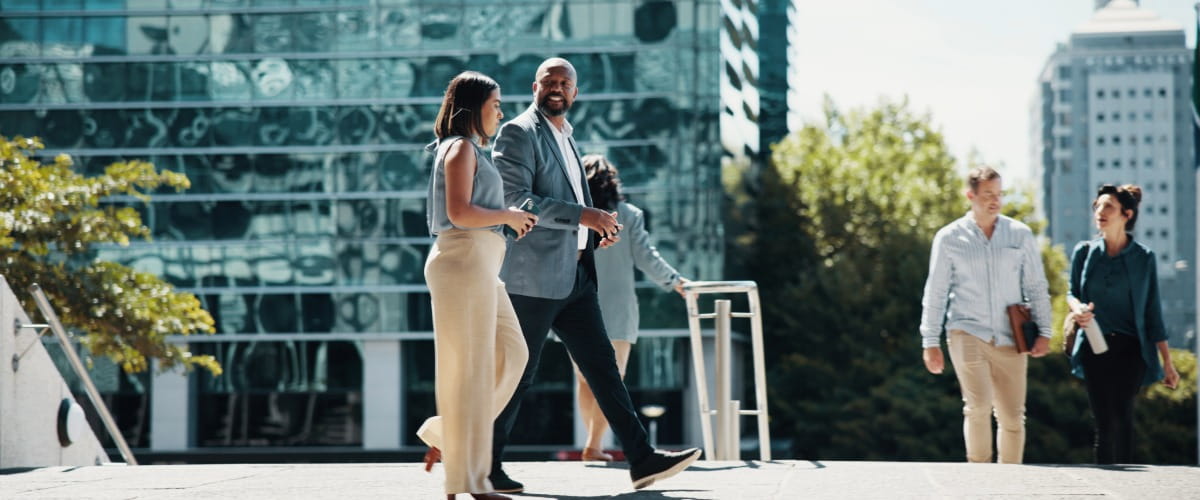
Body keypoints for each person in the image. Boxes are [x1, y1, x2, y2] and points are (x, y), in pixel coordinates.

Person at [488, 57, 701, 493]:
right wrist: (584, 214)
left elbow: (563, 205)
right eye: (550, 81)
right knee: (519, 372)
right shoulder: (518, 133)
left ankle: (641, 459)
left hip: (577, 278)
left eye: (565, 83)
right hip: (534, 279)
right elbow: (518, 201)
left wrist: (591, 231)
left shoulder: (566, 135)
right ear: (534, 86)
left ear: (575, 92)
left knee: (604, 369)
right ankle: (484, 461)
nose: (557, 88)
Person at [415, 71, 539, 500]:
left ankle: (445, 436)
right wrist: (507, 215)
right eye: (496, 104)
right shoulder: (461, 148)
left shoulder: (471, 150)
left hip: (481, 263)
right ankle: (468, 481)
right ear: (474, 107)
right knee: (469, 371)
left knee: (513, 353)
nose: (501, 112)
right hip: (463, 258)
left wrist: (508, 218)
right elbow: (460, 212)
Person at [918, 166, 1053, 464]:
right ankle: (980, 480)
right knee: (977, 406)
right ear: (971, 195)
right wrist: (930, 341)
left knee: (1013, 417)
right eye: (988, 194)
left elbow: (1036, 285)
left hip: (1011, 336)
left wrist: (1045, 331)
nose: (995, 200)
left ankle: (1010, 482)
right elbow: (936, 290)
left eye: (999, 194)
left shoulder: (1020, 235)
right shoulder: (949, 237)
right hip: (966, 332)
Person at [570, 154, 689, 461]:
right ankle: (594, 445)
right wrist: (675, 281)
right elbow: (647, 257)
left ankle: (593, 444)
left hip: (574, 305)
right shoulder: (629, 214)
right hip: (618, 309)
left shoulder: (573, 215)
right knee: (611, 380)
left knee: (585, 378)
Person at [1063, 183, 1180, 464]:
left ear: (1126, 214)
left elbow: (1153, 312)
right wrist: (1077, 308)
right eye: (1098, 206)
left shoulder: (1144, 258)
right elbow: (1071, 293)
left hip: (1131, 348)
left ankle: (1129, 487)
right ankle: (1107, 482)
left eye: (1108, 207)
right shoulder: (1084, 252)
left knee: (1123, 414)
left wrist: (1167, 361)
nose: (1100, 212)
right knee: (1104, 422)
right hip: (1094, 344)